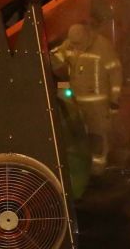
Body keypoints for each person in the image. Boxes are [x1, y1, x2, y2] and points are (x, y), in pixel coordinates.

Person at [51, 23, 123, 175]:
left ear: (86, 36)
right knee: (79, 138)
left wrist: (114, 100)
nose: (76, 46)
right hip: (76, 102)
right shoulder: (70, 44)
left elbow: (115, 72)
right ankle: (84, 171)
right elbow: (55, 59)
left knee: (98, 137)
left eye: (78, 43)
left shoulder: (102, 46)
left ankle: (98, 172)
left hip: (98, 105)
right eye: (73, 43)